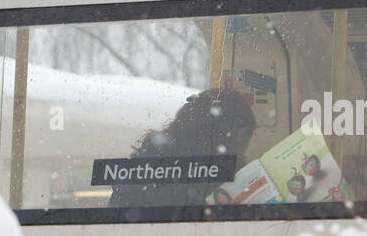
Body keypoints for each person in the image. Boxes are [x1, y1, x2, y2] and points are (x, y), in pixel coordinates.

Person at [110, 87, 258, 207]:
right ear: (240, 133)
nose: (242, 152)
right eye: (245, 143)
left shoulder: (147, 160)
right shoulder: (212, 175)